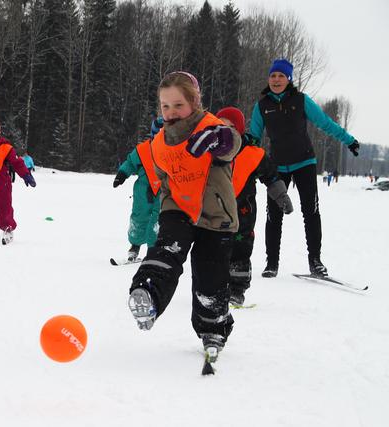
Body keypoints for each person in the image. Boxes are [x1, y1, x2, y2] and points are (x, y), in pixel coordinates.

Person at [127, 71, 242, 360]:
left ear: (195, 101)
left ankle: (213, 327)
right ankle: (149, 293)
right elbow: (162, 176)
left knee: (210, 274)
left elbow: (232, 144)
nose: (171, 112)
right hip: (177, 207)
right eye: (165, 106)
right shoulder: (159, 142)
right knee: (166, 249)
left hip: (215, 214)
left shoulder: (212, 127)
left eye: (178, 105)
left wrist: (218, 139)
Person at [249, 59, 360, 277]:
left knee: (311, 212)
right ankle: (272, 263)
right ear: (268, 79)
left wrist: (348, 140)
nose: (276, 80)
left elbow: (325, 123)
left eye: (281, 76)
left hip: (304, 163)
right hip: (277, 166)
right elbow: (253, 138)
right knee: (273, 215)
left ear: (289, 79)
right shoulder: (262, 106)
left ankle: (315, 261)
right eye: (273, 76)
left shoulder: (301, 100)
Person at [215, 106, 293, 306]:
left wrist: (281, 196)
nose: (226, 130)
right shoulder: (208, 151)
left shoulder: (253, 154)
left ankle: (237, 290)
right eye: (221, 125)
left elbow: (271, 176)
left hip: (243, 212)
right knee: (215, 250)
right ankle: (214, 287)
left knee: (240, 250)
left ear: (239, 130)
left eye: (231, 126)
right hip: (215, 213)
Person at [112, 139, 161, 262]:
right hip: (142, 191)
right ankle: (135, 246)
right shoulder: (143, 149)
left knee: (158, 219)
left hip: (163, 191)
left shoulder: (174, 146)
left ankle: (153, 249)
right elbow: (130, 163)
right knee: (139, 216)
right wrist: (122, 174)